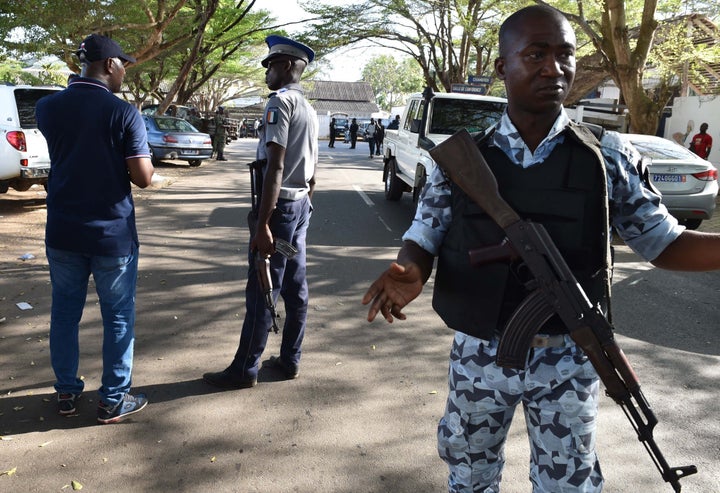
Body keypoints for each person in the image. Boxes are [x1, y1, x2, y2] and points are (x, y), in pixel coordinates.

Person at [362, 6, 720, 492]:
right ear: (501, 67)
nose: (554, 68)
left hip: (570, 357)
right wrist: (410, 269)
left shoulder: (606, 157)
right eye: (535, 54)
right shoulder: (461, 160)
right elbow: (425, 234)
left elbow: (664, 243)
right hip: (479, 355)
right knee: (469, 477)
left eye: (564, 55)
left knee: (567, 484)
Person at [35, 34, 154, 424]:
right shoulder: (124, 113)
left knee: (64, 315)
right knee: (118, 317)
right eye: (123, 64)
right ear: (107, 65)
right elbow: (143, 177)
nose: (124, 72)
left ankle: (66, 394)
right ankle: (113, 400)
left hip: (64, 232)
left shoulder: (47, 108)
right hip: (111, 236)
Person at [203, 34, 317, 389]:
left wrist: (264, 223)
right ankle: (290, 359)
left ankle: (244, 370)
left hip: (280, 211)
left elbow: (275, 166)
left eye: (270, 65)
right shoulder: (309, 108)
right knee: (295, 287)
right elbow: (313, 170)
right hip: (299, 208)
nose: (266, 72)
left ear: (286, 67)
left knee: (261, 286)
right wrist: (303, 204)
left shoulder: (280, 104)